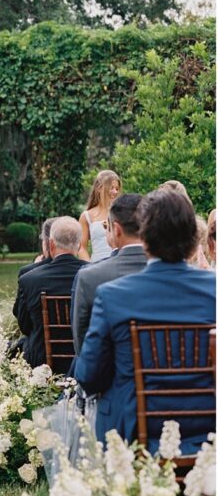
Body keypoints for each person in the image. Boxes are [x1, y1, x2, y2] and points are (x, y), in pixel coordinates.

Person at [75, 189, 216, 451]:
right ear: (194, 240)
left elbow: (89, 377)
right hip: (206, 432)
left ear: (145, 239)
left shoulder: (112, 297)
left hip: (132, 436)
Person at [70, 194, 147, 353]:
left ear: (117, 230)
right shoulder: (175, 275)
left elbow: (82, 345)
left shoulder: (89, 278)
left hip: (111, 374)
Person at [12, 217, 87, 367]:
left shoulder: (29, 279)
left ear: (51, 244)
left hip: (42, 361)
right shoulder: (94, 275)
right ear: (79, 245)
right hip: (83, 357)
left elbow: (25, 327)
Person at [12, 216, 56, 327]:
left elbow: (23, 321)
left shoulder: (27, 274)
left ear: (47, 243)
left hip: (40, 343)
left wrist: (35, 268)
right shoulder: (85, 271)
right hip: (79, 344)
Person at [78, 169, 121, 262]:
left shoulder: (122, 212)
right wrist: (90, 267)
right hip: (96, 265)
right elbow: (82, 248)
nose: (115, 192)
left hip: (119, 263)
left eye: (117, 188)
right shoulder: (86, 216)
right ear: (99, 188)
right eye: (111, 188)